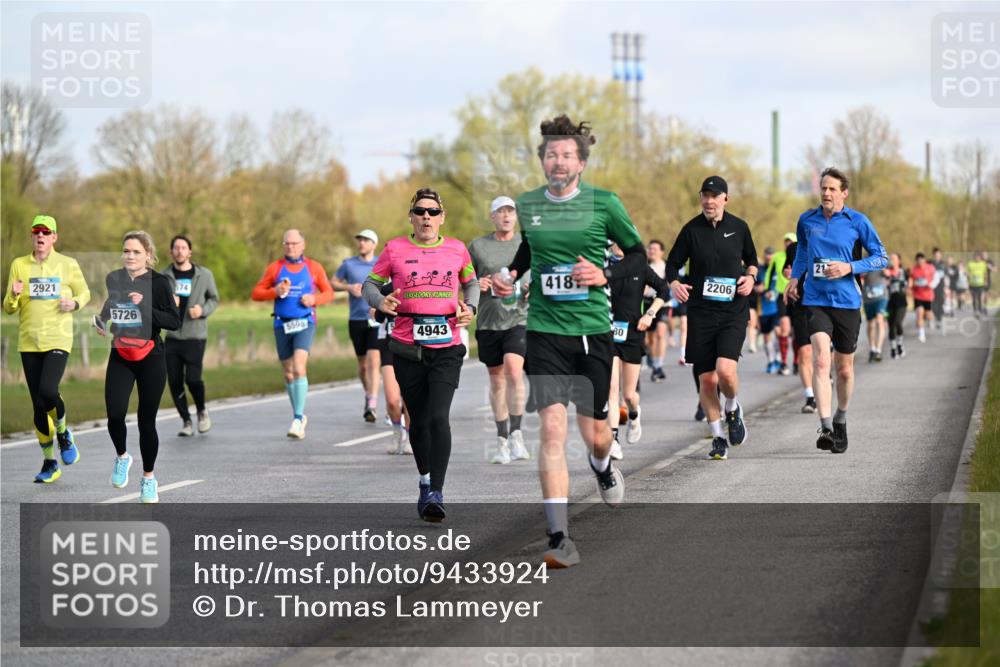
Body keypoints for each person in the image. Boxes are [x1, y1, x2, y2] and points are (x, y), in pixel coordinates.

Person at [492, 114, 644, 568]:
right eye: (550, 154)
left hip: (592, 332)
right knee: (553, 429)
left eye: (566, 154)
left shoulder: (604, 204)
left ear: (581, 161)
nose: (557, 161)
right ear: (542, 160)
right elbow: (529, 248)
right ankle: (559, 538)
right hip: (544, 332)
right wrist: (511, 277)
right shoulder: (528, 204)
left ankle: (602, 465)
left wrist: (607, 272)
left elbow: (635, 255)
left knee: (597, 435)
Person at [364, 187, 478, 522]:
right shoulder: (395, 249)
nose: (426, 217)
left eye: (432, 212)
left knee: (439, 416)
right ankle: (425, 479)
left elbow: (471, 283)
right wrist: (379, 302)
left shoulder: (457, 249)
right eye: (420, 211)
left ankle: (436, 493)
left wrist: (470, 306)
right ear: (411, 217)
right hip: (406, 347)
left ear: (442, 217)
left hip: (447, 346)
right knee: (419, 419)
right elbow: (369, 285)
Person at [786, 167, 887, 454]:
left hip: (847, 302)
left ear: (844, 193)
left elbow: (881, 257)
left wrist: (849, 267)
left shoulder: (857, 222)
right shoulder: (807, 219)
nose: (827, 193)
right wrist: (795, 278)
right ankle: (826, 426)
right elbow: (803, 251)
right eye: (823, 188)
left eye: (832, 189)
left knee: (844, 370)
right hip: (815, 299)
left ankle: (841, 418)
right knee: (820, 361)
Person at [666, 175, 757, 461]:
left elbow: (752, 261)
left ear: (725, 199)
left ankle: (732, 406)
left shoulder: (739, 228)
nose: (709, 201)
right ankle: (718, 438)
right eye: (705, 195)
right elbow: (672, 264)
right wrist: (674, 283)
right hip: (701, 312)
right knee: (706, 381)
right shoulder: (691, 230)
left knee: (726, 372)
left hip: (733, 310)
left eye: (714, 196)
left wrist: (751, 278)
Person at [95, 231, 180, 503]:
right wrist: (102, 319)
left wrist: (145, 307)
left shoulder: (160, 283)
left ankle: (148, 478)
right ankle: (122, 457)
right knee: (115, 415)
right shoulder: (114, 278)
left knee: (146, 422)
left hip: (151, 356)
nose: (129, 256)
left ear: (148, 255)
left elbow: (173, 321)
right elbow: (112, 304)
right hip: (121, 352)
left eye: (135, 252)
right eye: (126, 251)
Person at [3, 215, 90, 483]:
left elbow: (85, 293)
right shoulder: (19, 265)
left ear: (54, 237)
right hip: (29, 341)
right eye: (36, 232)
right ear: (32, 236)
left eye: (46, 232)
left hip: (57, 339)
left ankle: (64, 432)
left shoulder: (68, 264)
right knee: (39, 406)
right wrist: (15, 294)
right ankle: (50, 463)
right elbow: (8, 307)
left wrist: (73, 304)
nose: (40, 236)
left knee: (48, 391)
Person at [251, 229, 335, 439]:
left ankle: (298, 418)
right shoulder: (275, 268)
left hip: (305, 322)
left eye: (295, 243)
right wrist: (275, 292)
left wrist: (314, 300)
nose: (291, 247)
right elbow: (256, 293)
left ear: (303, 244)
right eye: (287, 243)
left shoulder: (314, 267)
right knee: (288, 372)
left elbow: (329, 293)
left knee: (299, 367)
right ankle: (298, 415)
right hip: (282, 323)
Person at [468, 195, 531, 465]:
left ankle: (517, 434)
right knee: (497, 380)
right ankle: (502, 438)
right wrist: (476, 283)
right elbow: (465, 278)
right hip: (488, 320)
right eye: (500, 211)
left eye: (510, 211)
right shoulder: (478, 246)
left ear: (516, 216)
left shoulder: (526, 244)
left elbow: (539, 272)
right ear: (492, 216)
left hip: (520, 318)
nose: (506, 216)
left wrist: (532, 289)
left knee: (514, 371)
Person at [606, 241, 669, 459]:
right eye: (617, 241)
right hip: (607, 332)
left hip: (633, 332)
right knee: (611, 389)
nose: (621, 245)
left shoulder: (639, 265)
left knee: (629, 394)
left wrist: (650, 314)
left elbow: (664, 289)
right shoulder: (603, 264)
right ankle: (613, 439)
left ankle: (634, 414)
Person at [164, 235, 220, 437]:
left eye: (183, 247)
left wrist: (202, 310)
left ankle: (202, 411)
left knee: (193, 379)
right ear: (171, 252)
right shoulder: (164, 276)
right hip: (172, 337)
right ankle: (186, 420)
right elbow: (156, 304)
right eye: (176, 248)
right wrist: (169, 305)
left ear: (190, 252)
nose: (180, 251)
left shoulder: (204, 275)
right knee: (175, 381)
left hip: (195, 335)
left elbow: (214, 299)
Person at [331, 230, 382, 423]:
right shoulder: (348, 264)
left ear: (374, 244)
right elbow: (333, 282)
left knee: (374, 361)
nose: (361, 243)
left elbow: (393, 283)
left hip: (376, 318)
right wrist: (348, 287)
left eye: (366, 240)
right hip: (356, 319)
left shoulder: (380, 263)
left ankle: (372, 404)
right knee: (362, 365)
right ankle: (369, 394)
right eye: (359, 240)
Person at [783, 240, 816, 412]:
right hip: (801, 305)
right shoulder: (794, 248)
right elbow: (786, 269)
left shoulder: (827, 242)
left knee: (824, 354)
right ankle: (810, 397)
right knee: (805, 351)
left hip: (823, 304)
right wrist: (790, 279)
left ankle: (826, 376)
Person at [764, 233, 796, 375]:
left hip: (797, 296)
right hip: (782, 296)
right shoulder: (777, 257)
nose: (788, 244)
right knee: (784, 329)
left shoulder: (801, 254)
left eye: (791, 241)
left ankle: (796, 362)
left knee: (796, 332)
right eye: (786, 241)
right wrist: (766, 288)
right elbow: (769, 274)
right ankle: (783, 362)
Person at [644, 240, 669, 381]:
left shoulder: (667, 267)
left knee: (661, 333)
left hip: (664, 304)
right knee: (650, 339)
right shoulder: (644, 266)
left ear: (661, 252)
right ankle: (654, 364)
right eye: (650, 249)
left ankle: (659, 365)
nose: (651, 251)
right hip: (648, 303)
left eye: (654, 249)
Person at [758, 246, 781, 373]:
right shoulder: (760, 270)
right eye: (767, 255)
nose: (769, 258)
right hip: (764, 308)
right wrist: (760, 290)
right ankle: (771, 361)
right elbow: (755, 287)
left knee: (778, 332)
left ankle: (778, 357)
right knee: (767, 336)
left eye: (771, 256)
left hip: (777, 306)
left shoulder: (779, 268)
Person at [861, 268, 888, 362]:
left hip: (881, 297)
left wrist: (886, 271)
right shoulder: (864, 258)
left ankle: (878, 350)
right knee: (871, 324)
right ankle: (872, 348)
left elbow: (890, 272)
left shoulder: (882, 257)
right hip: (868, 298)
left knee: (880, 319)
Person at [885, 253, 908, 359]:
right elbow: (883, 285)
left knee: (897, 323)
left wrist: (893, 277)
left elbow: (906, 286)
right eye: (890, 258)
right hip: (889, 302)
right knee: (891, 326)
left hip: (901, 302)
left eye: (894, 258)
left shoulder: (903, 272)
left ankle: (900, 345)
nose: (891, 260)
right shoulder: (885, 272)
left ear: (899, 260)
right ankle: (893, 349)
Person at [909, 252, 935, 343]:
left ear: (924, 260)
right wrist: (910, 287)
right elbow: (911, 280)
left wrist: (931, 284)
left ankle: (930, 320)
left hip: (928, 295)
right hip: (918, 295)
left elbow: (936, 278)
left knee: (929, 315)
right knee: (919, 313)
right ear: (916, 261)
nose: (920, 261)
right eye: (918, 260)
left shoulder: (930, 267)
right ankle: (921, 334)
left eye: (921, 259)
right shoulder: (914, 269)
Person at [967, 252, 989, 318]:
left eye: (978, 257)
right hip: (972, 284)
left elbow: (985, 273)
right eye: (976, 257)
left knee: (979, 298)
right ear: (974, 257)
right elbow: (967, 272)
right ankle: (975, 310)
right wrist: (967, 279)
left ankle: (979, 310)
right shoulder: (970, 263)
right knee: (974, 298)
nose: (977, 258)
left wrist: (986, 281)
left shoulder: (983, 264)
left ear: (980, 257)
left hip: (980, 284)